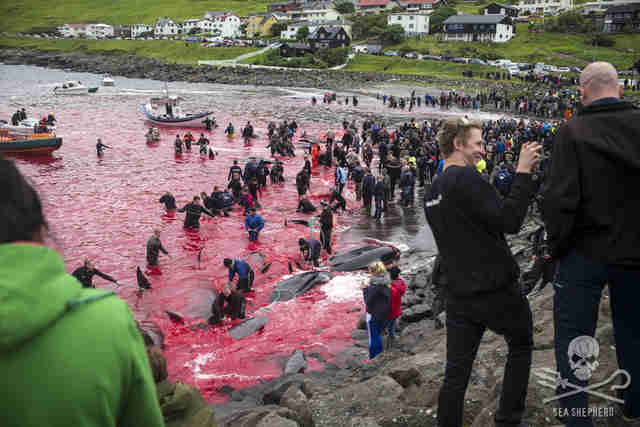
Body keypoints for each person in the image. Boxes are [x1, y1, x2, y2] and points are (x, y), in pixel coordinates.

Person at [0, 156, 164, 427]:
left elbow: (95, 275)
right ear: (40, 229)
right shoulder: (110, 319)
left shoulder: (97, 293)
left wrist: (114, 280)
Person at [424, 117, 540, 427]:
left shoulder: (432, 191)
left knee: (456, 373)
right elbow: (511, 220)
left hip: (458, 294)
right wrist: (523, 171)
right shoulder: (466, 178)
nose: (482, 150)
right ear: (458, 144)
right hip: (495, 289)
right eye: (477, 143)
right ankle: (508, 419)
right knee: (521, 344)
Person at [541, 62, 640, 426]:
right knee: (634, 332)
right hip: (635, 250)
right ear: (621, 88)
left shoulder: (573, 130)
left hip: (584, 252)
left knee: (574, 339)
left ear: (583, 90)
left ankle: (577, 417)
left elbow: (559, 199)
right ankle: (633, 406)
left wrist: (556, 245)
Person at [361, 261, 391, 360]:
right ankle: (381, 353)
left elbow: (367, 301)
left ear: (373, 272)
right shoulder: (386, 281)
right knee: (379, 333)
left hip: (373, 314)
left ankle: (373, 357)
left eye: (370, 271)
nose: (369, 273)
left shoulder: (374, 287)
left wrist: (364, 289)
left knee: (373, 337)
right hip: (385, 313)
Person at [387, 265, 406, 349]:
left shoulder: (389, 285)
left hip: (388, 308)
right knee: (393, 321)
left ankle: (390, 336)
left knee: (388, 321)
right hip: (396, 307)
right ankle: (392, 334)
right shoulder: (401, 283)